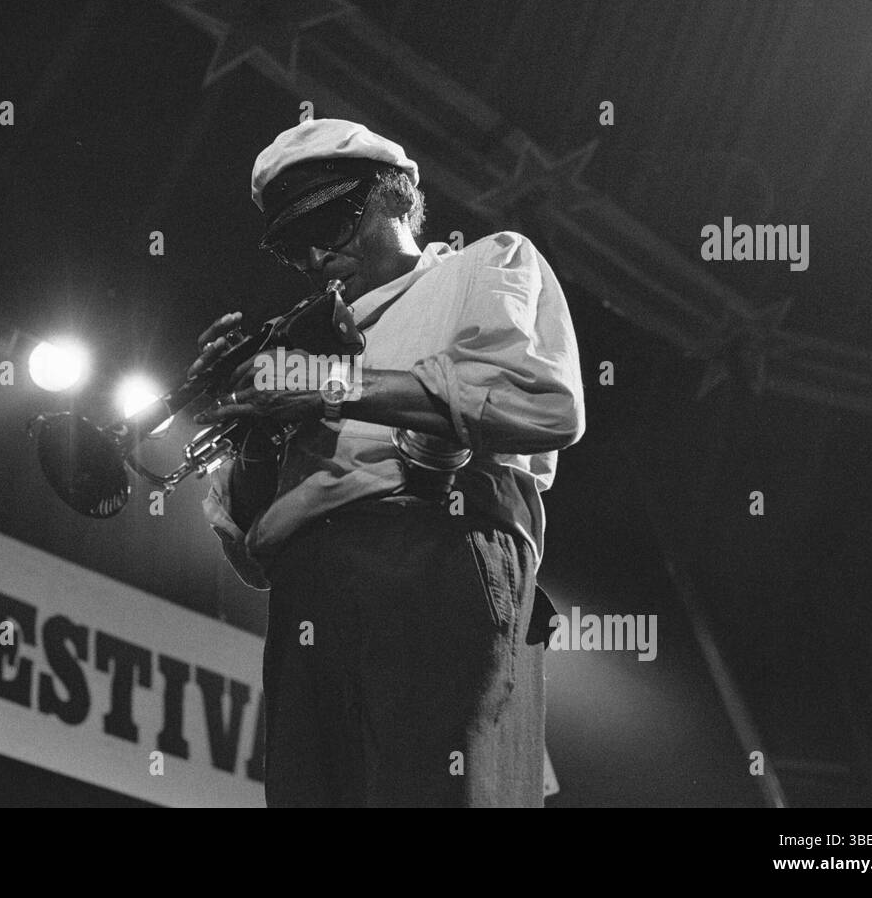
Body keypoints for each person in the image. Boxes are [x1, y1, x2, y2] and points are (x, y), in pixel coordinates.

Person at [190, 118, 585, 807]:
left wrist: (328, 385)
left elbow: (544, 405)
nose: (316, 256)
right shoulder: (301, 343)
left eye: (329, 224)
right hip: (304, 589)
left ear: (397, 195)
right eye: (293, 244)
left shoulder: (485, 264)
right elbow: (253, 554)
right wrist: (245, 422)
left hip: (432, 550)